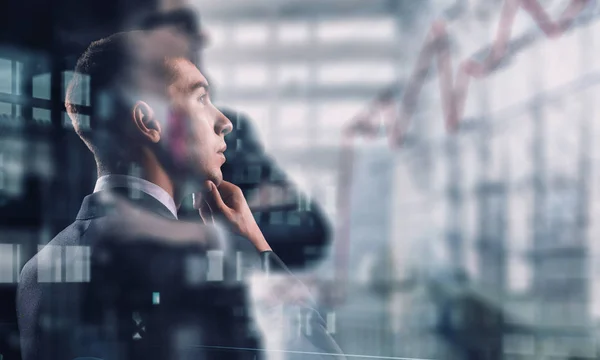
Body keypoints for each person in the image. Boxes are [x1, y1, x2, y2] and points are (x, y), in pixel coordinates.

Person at [16, 29, 344, 360]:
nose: (224, 121)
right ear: (149, 120)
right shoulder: (195, 268)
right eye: (200, 98)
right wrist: (255, 245)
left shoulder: (37, 271)